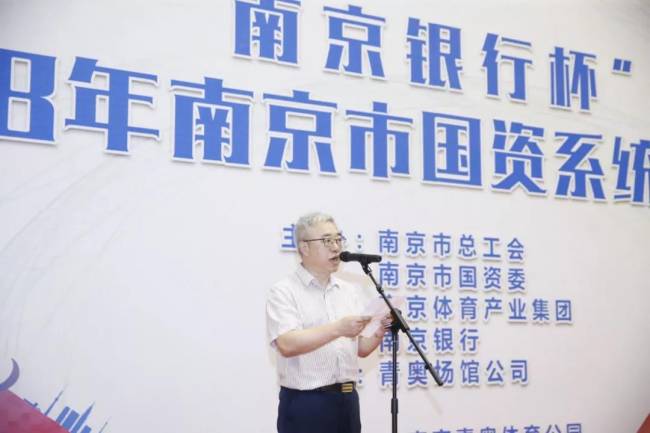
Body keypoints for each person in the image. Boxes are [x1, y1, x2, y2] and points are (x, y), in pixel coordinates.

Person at [266, 212, 390, 433]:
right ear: (304, 247)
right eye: (327, 241)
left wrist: (380, 330)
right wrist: (338, 328)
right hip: (306, 403)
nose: (335, 247)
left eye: (338, 239)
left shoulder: (348, 291)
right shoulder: (284, 291)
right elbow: (286, 344)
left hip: (347, 400)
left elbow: (360, 349)